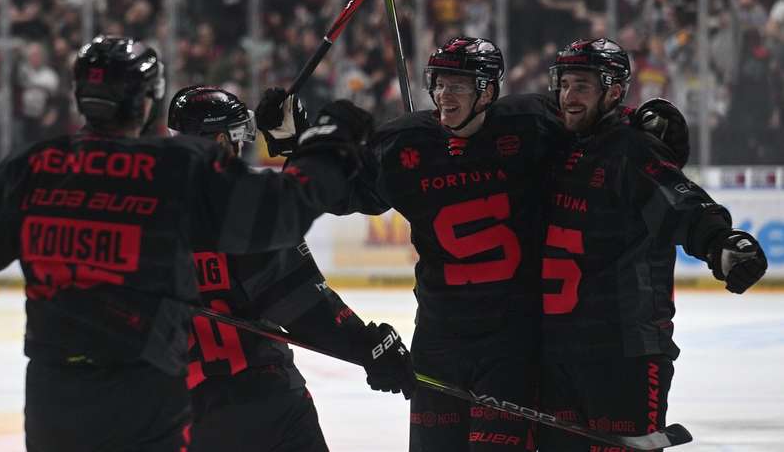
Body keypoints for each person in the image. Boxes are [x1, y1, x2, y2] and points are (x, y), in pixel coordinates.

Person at [0, 35, 373, 452]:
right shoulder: (175, 168)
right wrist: (326, 141)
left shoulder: (35, 168)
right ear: (147, 102)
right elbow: (281, 213)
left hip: (56, 398)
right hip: (146, 394)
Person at [257, 36, 693, 452]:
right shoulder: (403, 143)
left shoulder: (530, 125)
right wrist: (295, 139)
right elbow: (338, 189)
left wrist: (643, 121)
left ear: (487, 91)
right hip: (438, 342)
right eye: (441, 83)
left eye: (460, 85)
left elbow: (596, 129)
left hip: (511, 347)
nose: (446, 94)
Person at [538, 37, 768, 451]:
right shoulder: (555, 145)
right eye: (565, 84)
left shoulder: (630, 148)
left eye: (582, 87)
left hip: (622, 353)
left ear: (613, 91)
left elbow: (680, 202)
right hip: (557, 349)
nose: (569, 97)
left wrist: (720, 241)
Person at [166, 85, 415, 452]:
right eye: (237, 139)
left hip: (183, 417)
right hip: (265, 405)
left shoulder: (142, 214)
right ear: (220, 141)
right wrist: (370, 346)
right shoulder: (241, 209)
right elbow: (303, 305)